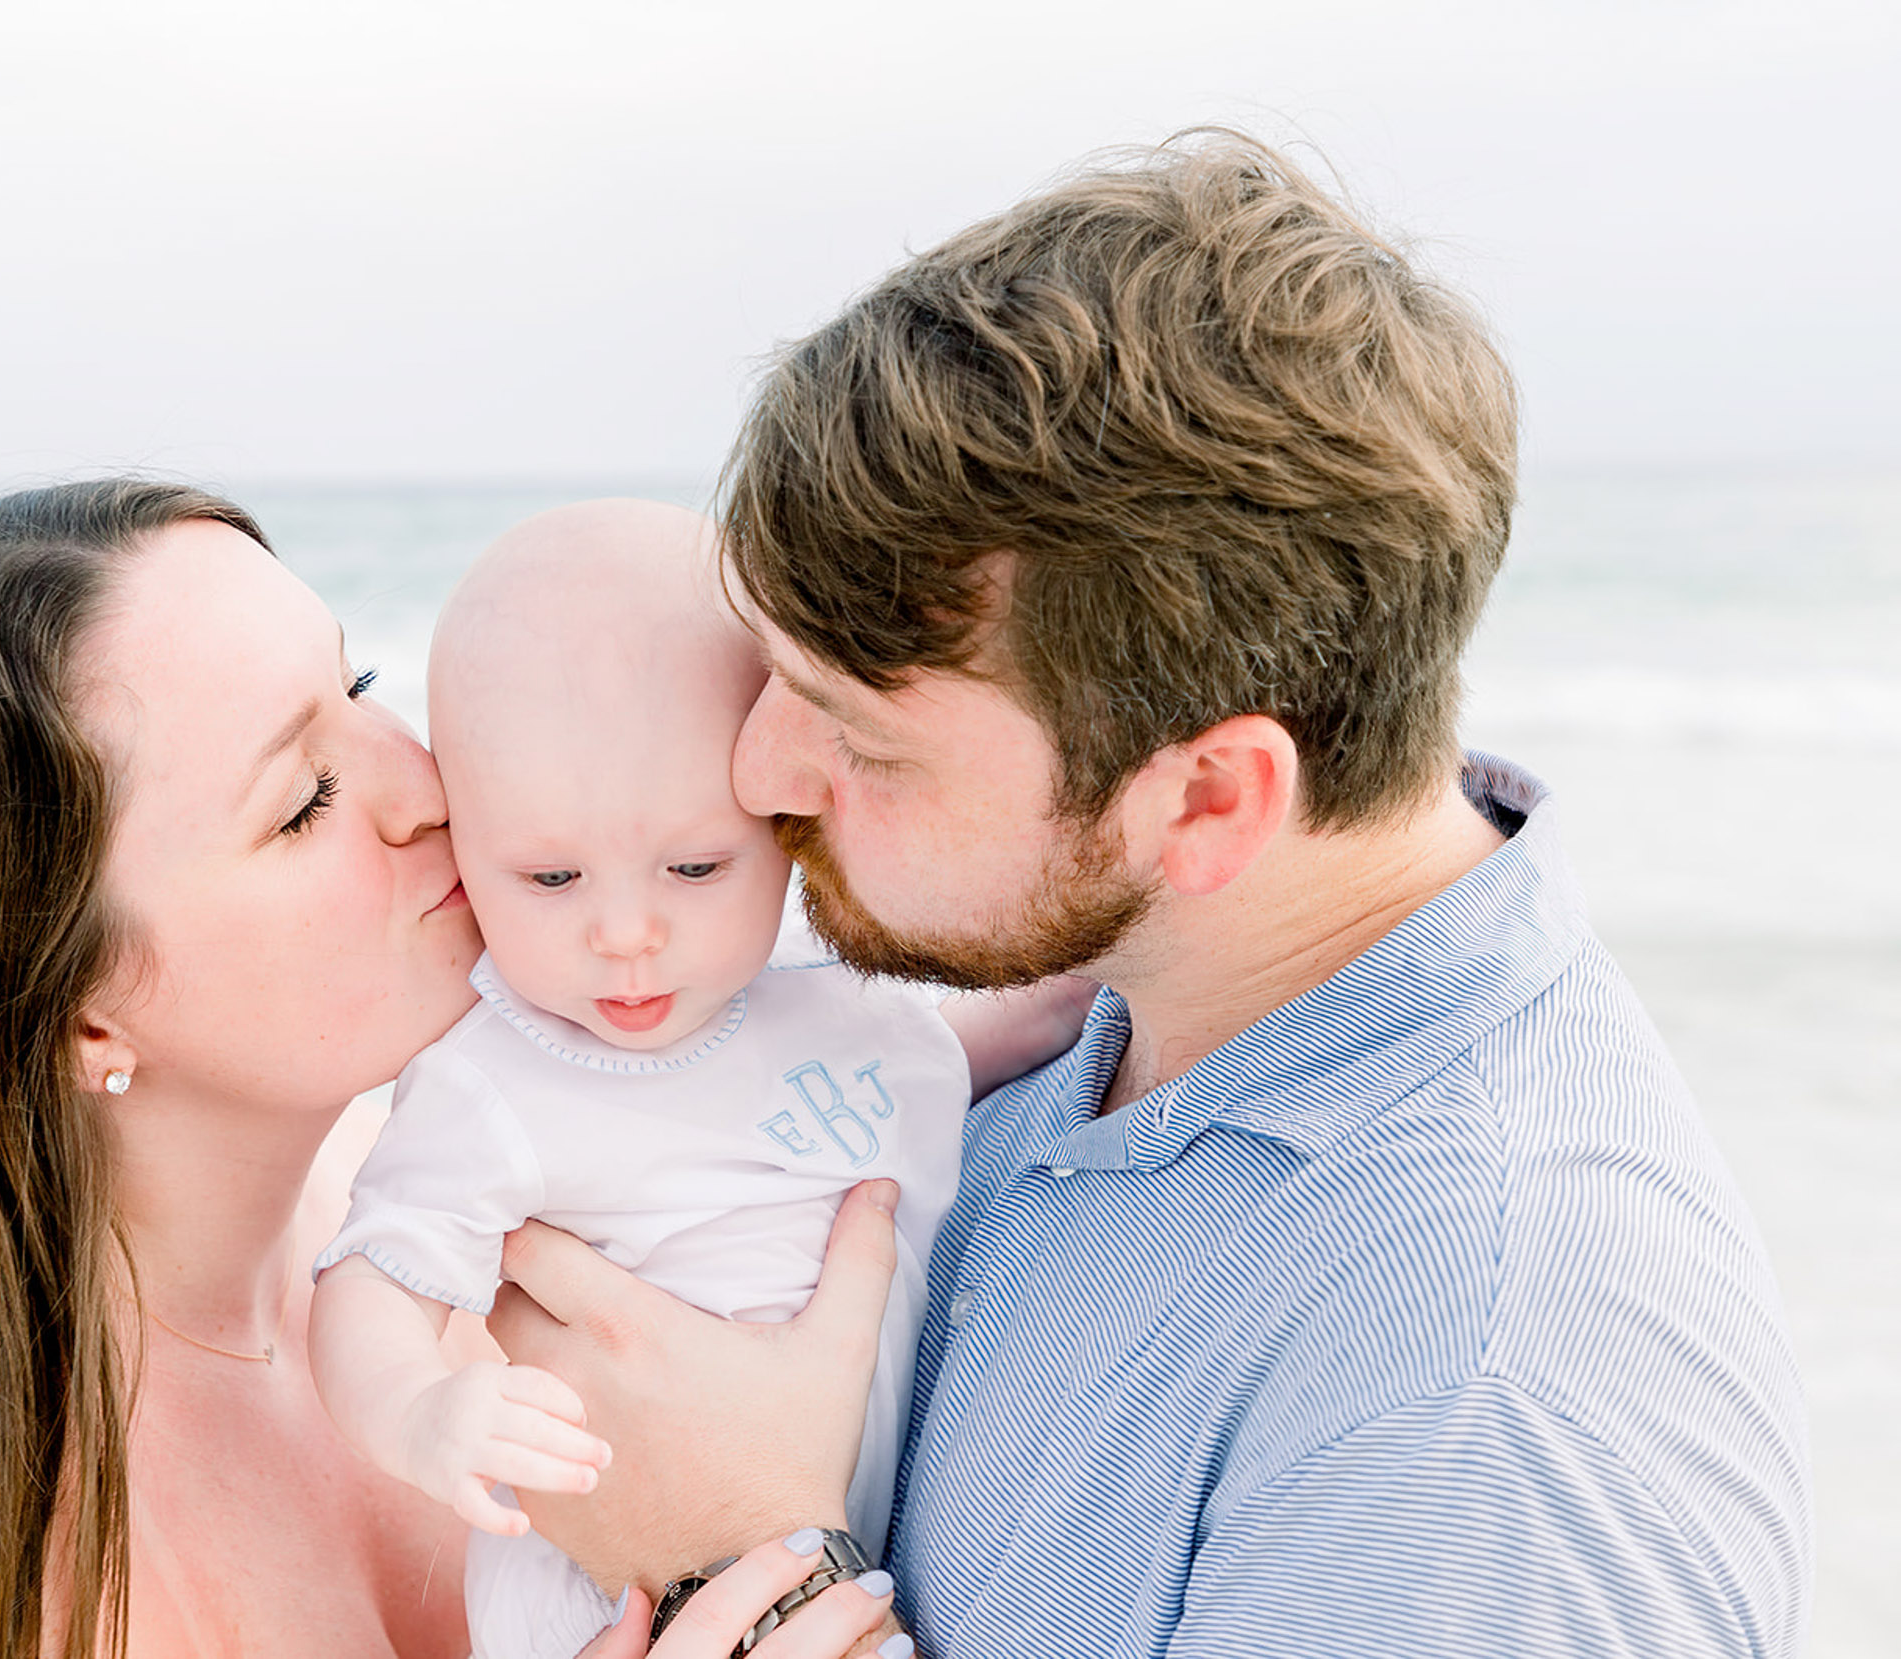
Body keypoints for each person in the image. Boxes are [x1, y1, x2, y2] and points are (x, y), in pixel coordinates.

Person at [487, 135, 1814, 1656]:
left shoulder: (1476, 1411)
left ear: (1207, 799)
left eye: (854, 730)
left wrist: (756, 1559)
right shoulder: (1098, 998)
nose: (760, 767)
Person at [0, 479, 901, 1659]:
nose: (427, 784)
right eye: (301, 801)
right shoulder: (54, 1600)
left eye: (363, 681)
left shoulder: (457, 1187)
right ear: (73, 1011)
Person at [306, 500, 1087, 1659]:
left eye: (692, 864)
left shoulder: (829, 986)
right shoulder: (498, 1079)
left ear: (782, 813)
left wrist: (1064, 1006)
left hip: (838, 1542)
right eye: (550, 875)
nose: (627, 933)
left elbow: (902, 1077)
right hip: (609, 1593)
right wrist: (422, 1411)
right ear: (466, 844)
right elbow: (369, 1280)